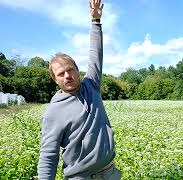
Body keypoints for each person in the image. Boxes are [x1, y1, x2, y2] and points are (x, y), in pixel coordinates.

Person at [37, 0, 121, 179]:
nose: (67, 76)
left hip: (110, 172)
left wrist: (96, 21)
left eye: (70, 70)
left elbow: (95, 54)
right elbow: (48, 156)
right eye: (61, 74)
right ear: (55, 79)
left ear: (77, 70)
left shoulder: (92, 86)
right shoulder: (53, 112)